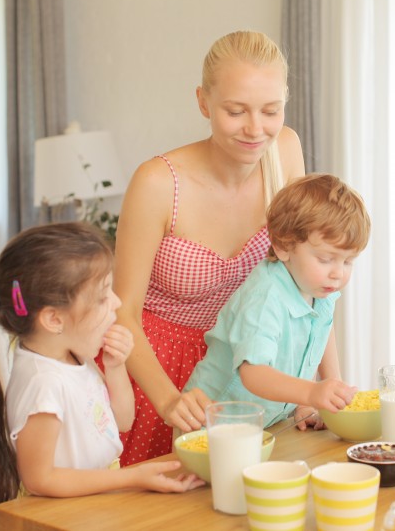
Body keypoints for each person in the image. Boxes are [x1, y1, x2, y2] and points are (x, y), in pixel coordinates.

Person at [113, 30, 306, 465]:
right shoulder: (158, 183)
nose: (256, 129)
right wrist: (167, 401)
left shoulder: (285, 151)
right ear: (203, 102)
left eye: (271, 110)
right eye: (235, 111)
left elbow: (307, 281)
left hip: (248, 365)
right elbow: (123, 313)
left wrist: (317, 385)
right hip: (156, 373)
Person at [0, 223, 204, 531]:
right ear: (54, 319)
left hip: (95, 502)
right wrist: (130, 477)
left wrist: (115, 367)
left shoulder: (75, 357)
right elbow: (39, 478)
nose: (117, 303)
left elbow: (121, 421)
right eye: (102, 297)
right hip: (59, 516)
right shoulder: (43, 384)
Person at [184, 173, 370, 428]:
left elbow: (322, 331)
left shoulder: (318, 287)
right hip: (208, 425)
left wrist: (326, 397)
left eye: (348, 261)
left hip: (263, 423)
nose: (338, 273)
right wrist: (311, 392)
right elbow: (254, 373)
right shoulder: (264, 298)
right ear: (283, 247)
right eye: (326, 259)